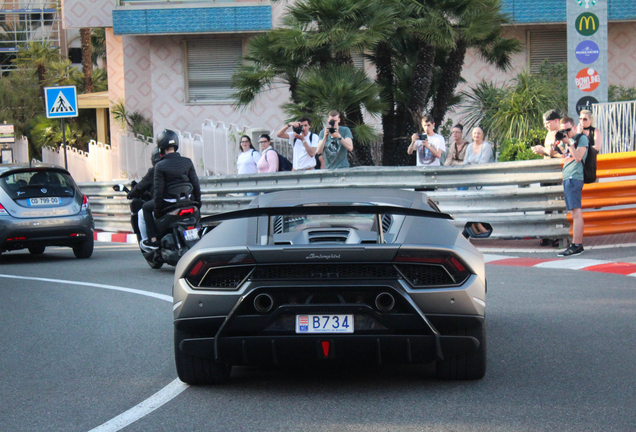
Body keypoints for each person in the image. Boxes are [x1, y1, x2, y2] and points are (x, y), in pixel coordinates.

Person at [141, 129, 201, 251]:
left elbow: (159, 191)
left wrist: (157, 212)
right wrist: (198, 204)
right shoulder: (187, 161)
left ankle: (153, 240)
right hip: (187, 201)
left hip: (169, 203)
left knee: (146, 208)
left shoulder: (160, 166)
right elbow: (196, 185)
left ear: (161, 146)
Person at [549, 116, 588, 257]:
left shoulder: (580, 139)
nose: (566, 132)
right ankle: (576, 244)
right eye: (563, 130)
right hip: (567, 178)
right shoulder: (566, 142)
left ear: (575, 127)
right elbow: (551, 153)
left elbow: (578, 157)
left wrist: (569, 142)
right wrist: (555, 141)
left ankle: (577, 244)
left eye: (568, 129)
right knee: (573, 212)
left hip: (574, 178)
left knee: (576, 212)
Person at [532, 109, 563, 247]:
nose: (545, 126)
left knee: (558, 204)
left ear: (556, 121)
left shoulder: (562, 133)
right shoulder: (549, 134)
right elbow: (549, 153)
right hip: (547, 171)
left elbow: (561, 154)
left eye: (548, 123)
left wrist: (545, 150)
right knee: (547, 204)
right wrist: (542, 151)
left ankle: (558, 235)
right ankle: (548, 234)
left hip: (557, 172)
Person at [128, 147, 161, 241]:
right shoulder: (176, 166)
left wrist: (131, 193)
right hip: (184, 200)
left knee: (142, 212)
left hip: (164, 201)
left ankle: (149, 240)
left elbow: (140, 186)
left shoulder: (155, 170)